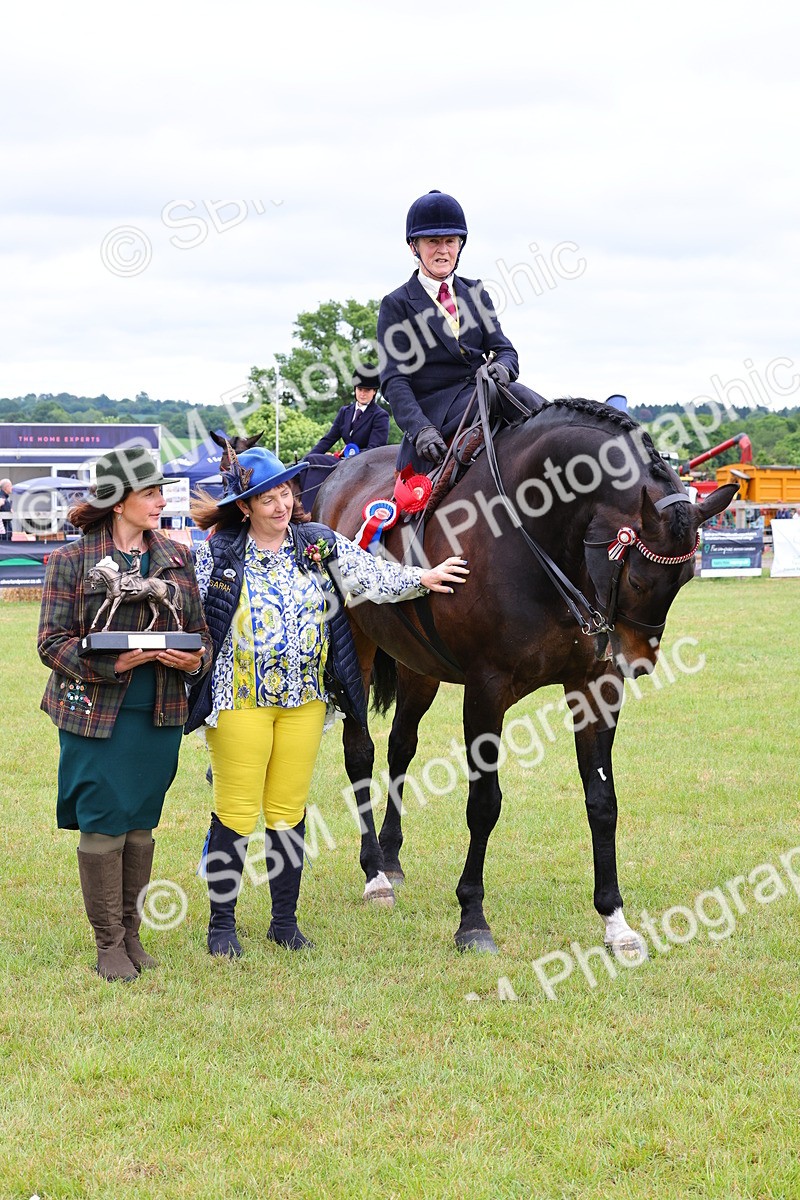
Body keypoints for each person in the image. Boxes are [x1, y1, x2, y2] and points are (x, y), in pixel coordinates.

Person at [185, 445, 468, 957]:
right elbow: (183, 601)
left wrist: (422, 578)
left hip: (304, 700)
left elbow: (372, 575)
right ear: (244, 506)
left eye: (286, 494)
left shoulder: (316, 543)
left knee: (288, 811)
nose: (281, 505)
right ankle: (221, 925)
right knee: (236, 810)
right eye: (266, 498)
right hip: (239, 699)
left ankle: (284, 922)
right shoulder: (217, 554)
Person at [37, 448, 212, 983]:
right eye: (151, 493)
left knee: (140, 824)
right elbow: (51, 643)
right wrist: (113, 664)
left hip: (158, 713)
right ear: (118, 501)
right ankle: (107, 942)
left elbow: (201, 634)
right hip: (95, 713)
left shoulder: (178, 558)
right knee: (104, 823)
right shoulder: (72, 560)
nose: (162, 501)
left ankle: (132, 934)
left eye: (162, 492)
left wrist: (193, 656)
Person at [377, 189, 546, 473]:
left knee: (538, 413)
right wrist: (420, 429)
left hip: (485, 396)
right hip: (436, 415)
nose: (443, 250)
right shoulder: (397, 304)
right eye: (433, 242)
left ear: (460, 245)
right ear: (413, 247)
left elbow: (505, 350)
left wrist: (503, 369)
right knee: (516, 396)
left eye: (450, 241)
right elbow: (394, 380)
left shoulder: (476, 292)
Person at [299, 366, 390, 515]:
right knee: (310, 461)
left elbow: (376, 448)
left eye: (367, 390)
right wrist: (304, 461)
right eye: (360, 389)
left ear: (374, 392)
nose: (362, 393)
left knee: (315, 461)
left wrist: (351, 455)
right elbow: (329, 439)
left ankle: (306, 512)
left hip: (364, 464)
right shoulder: (345, 412)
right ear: (355, 389)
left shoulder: (380, 416)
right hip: (344, 461)